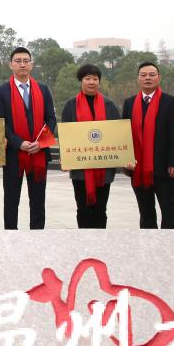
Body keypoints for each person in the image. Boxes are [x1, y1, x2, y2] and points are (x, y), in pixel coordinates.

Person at [0, 46, 57, 230]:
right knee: (11, 201)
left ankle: (37, 236)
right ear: (10, 64)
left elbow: (51, 119)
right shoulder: (1, 91)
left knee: (38, 201)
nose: (22, 64)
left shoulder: (43, 89)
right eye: (18, 61)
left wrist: (41, 142)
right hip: (13, 154)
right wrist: (18, 143)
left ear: (31, 65)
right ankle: (10, 236)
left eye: (26, 61)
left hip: (39, 154)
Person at [121, 61, 174, 229]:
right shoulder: (129, 103)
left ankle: (170, 242)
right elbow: (125, 134)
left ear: (159, 78)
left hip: (163, 168)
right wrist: (126, 159)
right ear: (138, 79)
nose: (147, 78)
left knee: (169, 212)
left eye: (152, 75)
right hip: (138, 168)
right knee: (146, 213)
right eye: (143, 75)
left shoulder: (171, 102)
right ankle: (148, 243)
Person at [59, 64, 121, 229]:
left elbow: (117, 135)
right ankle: (84, 241)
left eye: (95, 79)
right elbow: (66, 135)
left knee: (101, 210)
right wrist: (65, 158)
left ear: (99, 81)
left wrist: (124, 156)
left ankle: (100, 241)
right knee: (83, 209)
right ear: (81, 81)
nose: (91, 82)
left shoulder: (109, 105)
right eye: (87, 78)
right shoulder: (71, 105)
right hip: (80, 168)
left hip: (104, 168)